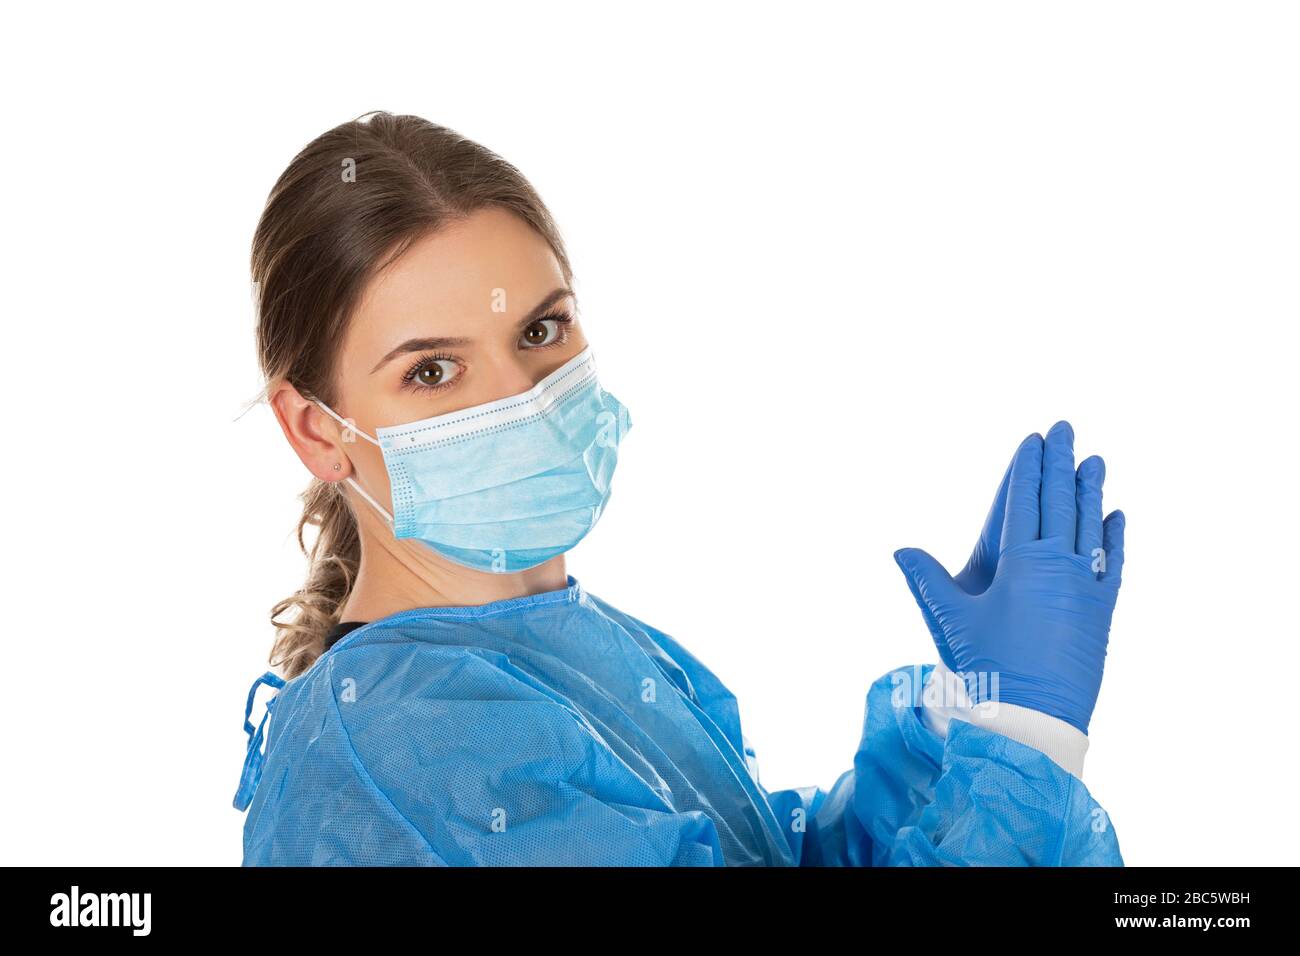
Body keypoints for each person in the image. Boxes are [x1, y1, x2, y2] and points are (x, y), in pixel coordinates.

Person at [233, 112, 1127, 866]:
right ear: (318, 430)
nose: (522, 399)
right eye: (432, 372)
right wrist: (1022, 746)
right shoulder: (396, 738)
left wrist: (972, 718)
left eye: (542, 329)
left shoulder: (595, 648)